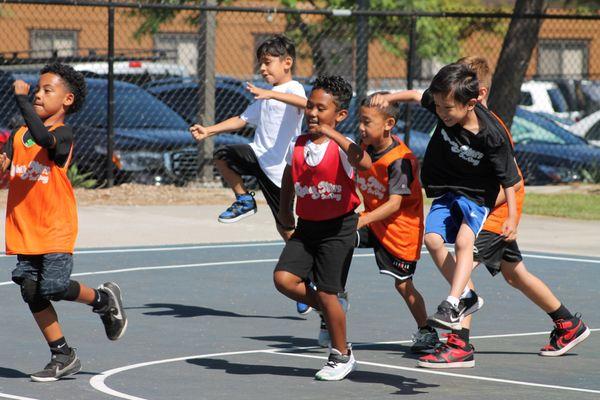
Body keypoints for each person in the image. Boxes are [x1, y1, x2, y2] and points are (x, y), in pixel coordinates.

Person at [416, 56, 590, 368]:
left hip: (496, 205)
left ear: (476, 95)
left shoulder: (492, 133)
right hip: (486, 202)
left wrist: (505, 218)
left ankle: (459, 344)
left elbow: (511, 182)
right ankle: (568, 324)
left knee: (463, 266)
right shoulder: (458, 121)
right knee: (514, 274)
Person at [371, 63, 522, 342]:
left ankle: (453, 302)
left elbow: (510, 180)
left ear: (471, 103)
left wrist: (511, 218)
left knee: (465, 242)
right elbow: (418, 96)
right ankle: (467, 295)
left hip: (478, 196)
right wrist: (389, 98)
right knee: (432, 239)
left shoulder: (492, 136)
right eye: (438, 107)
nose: (441, 113)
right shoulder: (444, 106)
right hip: (448, 191)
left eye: (447, 109)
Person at [0, 63, 127, 382]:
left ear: (67, 100)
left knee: (53, 286)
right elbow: (8, 174)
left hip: (54, 227)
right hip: (24, 229)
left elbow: (44, 139)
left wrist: (22, 101)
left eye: (46, 90)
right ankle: (63, 355)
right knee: (31, 291)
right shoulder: (17, 136)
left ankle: (102, 299)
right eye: (37, 89)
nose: (38, 94)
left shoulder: (63, 134)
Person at [273, 75, 371, 381]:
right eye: (310, 107)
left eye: (321, 109)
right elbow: (289, 180)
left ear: (339, 115)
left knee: (328, 292)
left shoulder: (343, 148)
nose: (313, 113)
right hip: (307, 227)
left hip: (338, 228)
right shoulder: (298, 145)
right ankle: (331, 310)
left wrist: (335, 135)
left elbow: (365, 163)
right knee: (284, 279)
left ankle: (342, 354)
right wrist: (284, 212)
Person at [189, 34, 306, 235]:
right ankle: (244, 200)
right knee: (222, 155)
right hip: (256, 154)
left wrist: (270, 93)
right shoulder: (265, 96)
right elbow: (241, 119)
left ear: (287, 62)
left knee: (285, 226)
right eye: (260, 63)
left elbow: (306, 104)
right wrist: (208, 130)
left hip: (277, 169)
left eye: (268, 63)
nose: (262, 68)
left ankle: (302, 261)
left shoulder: (293, 88)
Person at [354, 92, 438, 353]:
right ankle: (330, 290)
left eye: (367, 122)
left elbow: (394, 204)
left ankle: (428, 331)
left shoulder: (400, 160)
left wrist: (363, 218)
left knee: (403, 284)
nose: (361, 127)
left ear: (388, 124)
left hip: (400, 230)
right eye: (360, 121)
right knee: (336, 236)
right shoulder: (365, 147)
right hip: (373, 222)